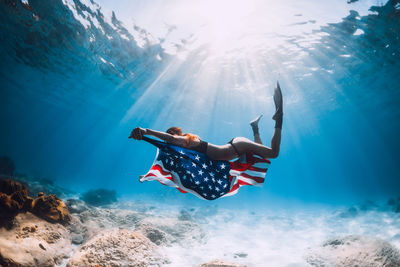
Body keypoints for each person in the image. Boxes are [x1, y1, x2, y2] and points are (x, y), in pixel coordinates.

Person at [129, 82, 283, 161]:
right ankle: (255, 127)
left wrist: (146, 131)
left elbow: (171, 139)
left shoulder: (186, 140)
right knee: (261, 156)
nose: (171, 143)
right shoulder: (187, 145)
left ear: (175, 134)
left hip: (236, 147)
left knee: (273, 153)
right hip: (235, 147)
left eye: (172, 137)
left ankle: (279, 119)